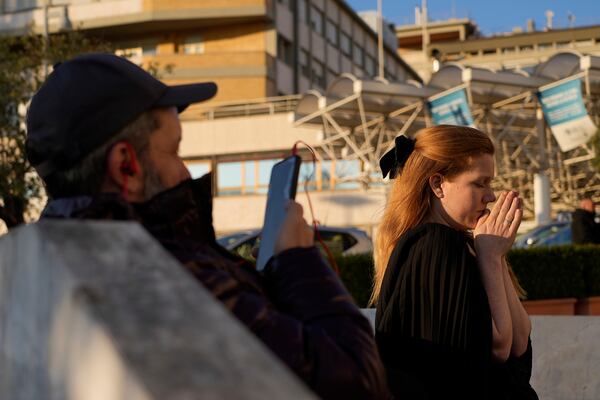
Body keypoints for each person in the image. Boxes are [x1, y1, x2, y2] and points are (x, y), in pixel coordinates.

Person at [26, 53, 389, 399]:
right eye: (174, 151)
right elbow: (357, 381)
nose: (186, 172)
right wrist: (297, 258)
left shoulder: (47, 269)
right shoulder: (162, 275)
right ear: (126, 166)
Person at [373, 126, 538, 399]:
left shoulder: (461, 243)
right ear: (438, 184)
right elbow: (496, 347)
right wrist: (490, 258)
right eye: (479, 183)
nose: (491, 195)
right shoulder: (433, 245)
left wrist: (494, 255)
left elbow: (518, 342)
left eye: (490, 183)